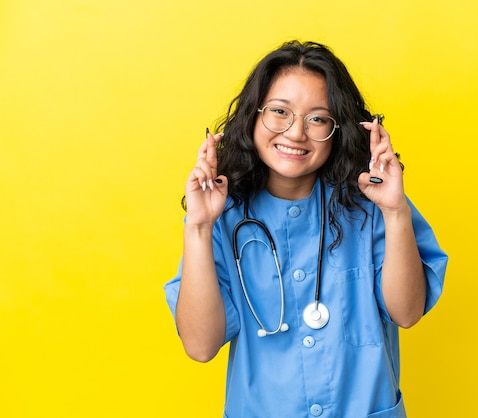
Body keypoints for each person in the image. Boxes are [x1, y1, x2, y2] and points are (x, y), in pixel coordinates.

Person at [164, 40, 448, 418]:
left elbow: (407, 312)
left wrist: (395, 211)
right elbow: (201, 347)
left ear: (337, 129)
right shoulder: (221, 217)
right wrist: (199, 226)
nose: (296, 133)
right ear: (254, 115)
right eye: (279, 112)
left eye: (317, 118)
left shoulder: (373, 202)